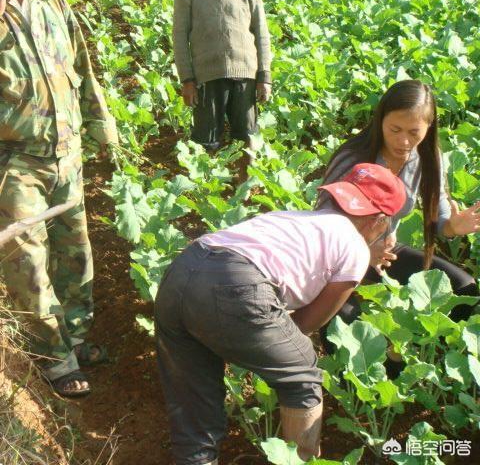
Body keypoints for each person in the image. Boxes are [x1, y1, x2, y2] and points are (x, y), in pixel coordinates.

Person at [155, 163, 406, 465]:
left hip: (182, 272)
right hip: (236, 282)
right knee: (302, 376)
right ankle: (299, 461)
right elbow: (306, 324)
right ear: (381, 220)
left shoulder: (293, 218)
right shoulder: (355, 248)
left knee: (194, 400)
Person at [0, 0, 118, 397]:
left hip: (66, 156)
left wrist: (103, 127)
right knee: (27, 263)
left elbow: (83, 70)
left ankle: (74, 337)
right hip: (15, 165)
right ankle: (52, 357)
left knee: (76, 256)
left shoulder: (53, 1)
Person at [317, 79, 479, 329]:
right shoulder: (353, 158)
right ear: (380, 120)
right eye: (395, 129)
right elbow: (321, 225)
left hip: (387, 253)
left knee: (464, 289)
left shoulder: (428, 158)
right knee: (347, 324)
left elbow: (441, 220)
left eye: (414, 132)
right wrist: (361, 253)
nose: (403, 141)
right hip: (338, 259)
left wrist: (453, 227)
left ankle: (411, 354)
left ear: (429, 126)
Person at [172, 0, 272, 175]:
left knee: (247, 137)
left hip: (245, 75)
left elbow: (261, 31)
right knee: (206, 138)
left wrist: (265, 76)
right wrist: (187, 80)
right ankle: (208, 187)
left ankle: (244, 185)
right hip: (207, 75)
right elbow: (180, 35)